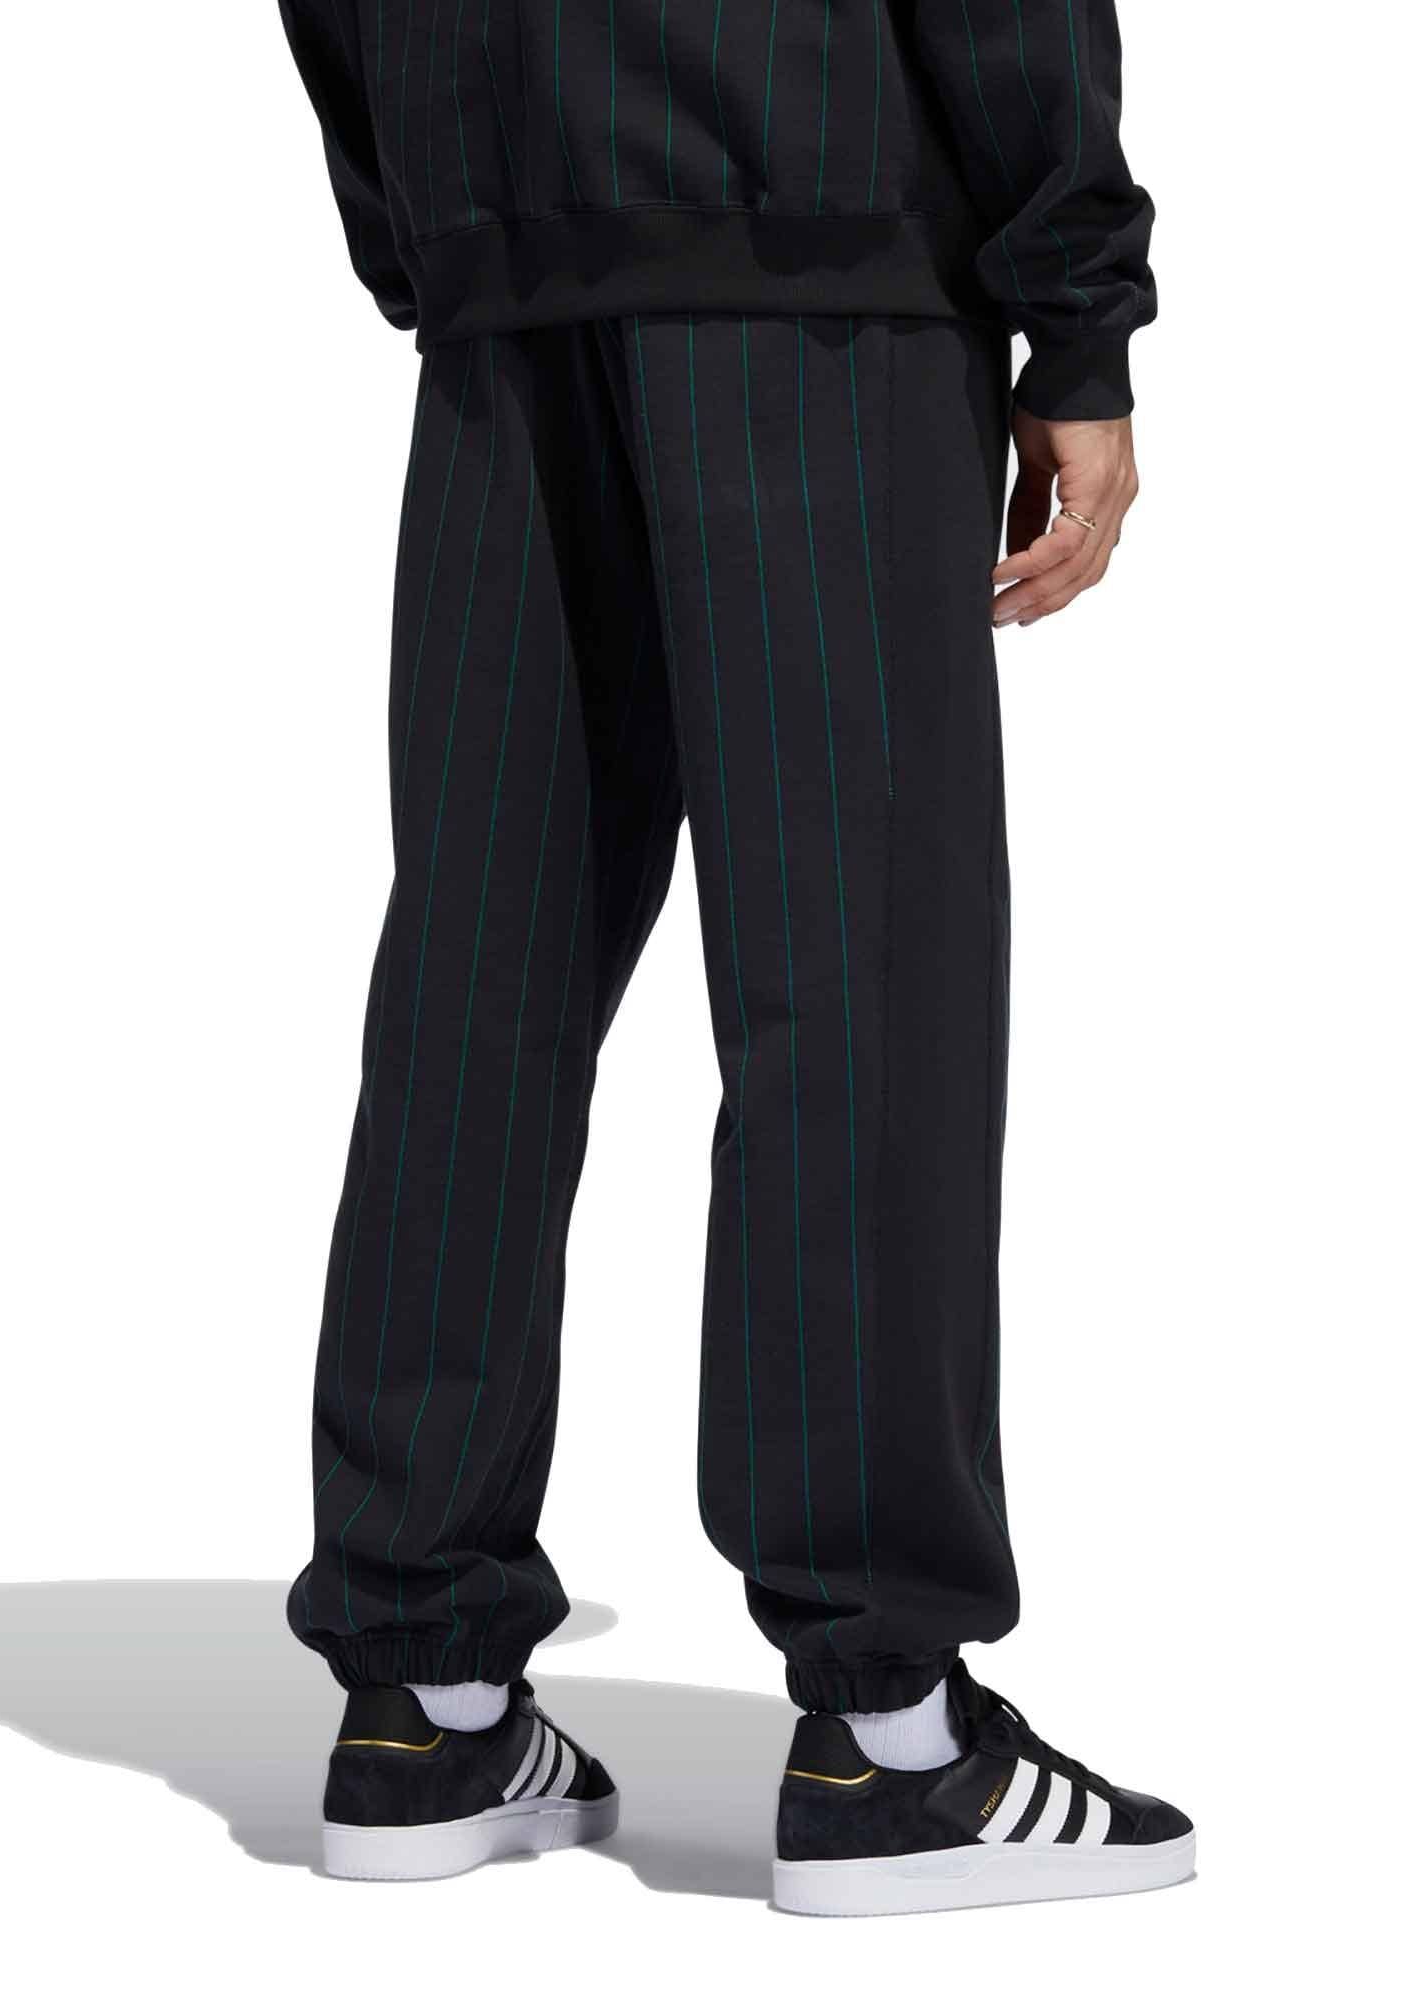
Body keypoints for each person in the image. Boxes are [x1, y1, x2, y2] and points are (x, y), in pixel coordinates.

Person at [278, 0, 1188, 1915]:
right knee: (858, 980)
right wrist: (1078, 311)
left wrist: (445, 223)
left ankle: (424, 1696)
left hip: (512, 280)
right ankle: (890, 1735)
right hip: (812, 250)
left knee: (478, 984)